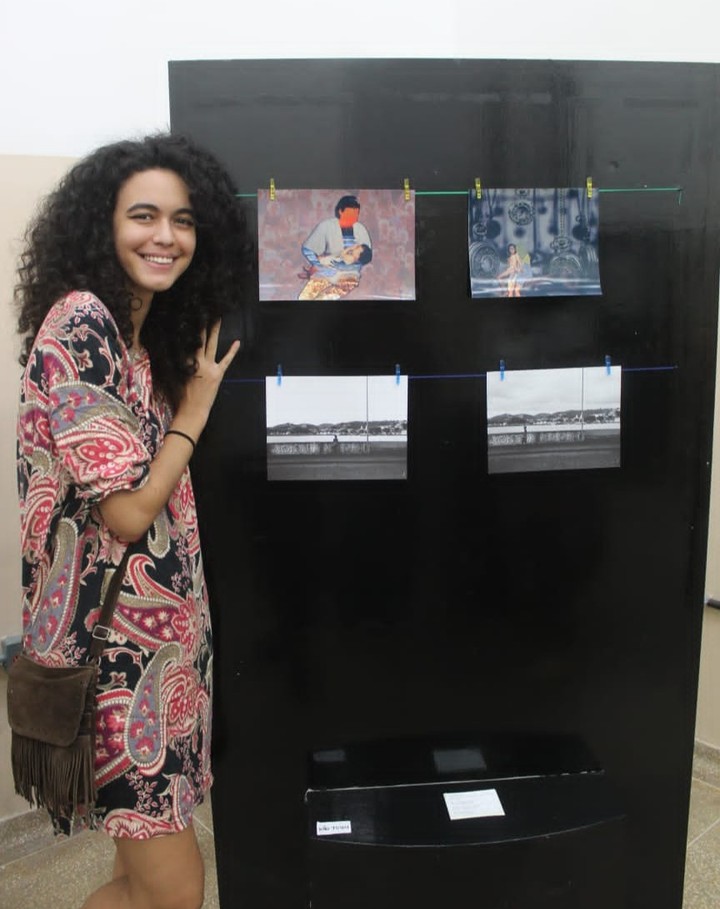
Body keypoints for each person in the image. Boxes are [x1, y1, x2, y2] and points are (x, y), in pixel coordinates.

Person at [13, 134, 247, 909]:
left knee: (137, 881)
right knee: (175, 890)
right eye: (143, 215)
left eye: (183, 220)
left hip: (160, 658)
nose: (165, 236)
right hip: (116, 666)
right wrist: (195, 411)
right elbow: (127, 512)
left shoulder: (134, 342)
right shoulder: (82, 323)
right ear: (101, 224)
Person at [298, 195, 373, 300]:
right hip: (325, 272)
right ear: (340, 212)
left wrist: (345, 265)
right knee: (304, 298)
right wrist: (320, 266)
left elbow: (366, 256)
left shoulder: (361, 229)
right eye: (350, 214)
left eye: (356, 214)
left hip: (349, 277)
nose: (354, 218)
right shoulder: (326, 226)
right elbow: (308, 249)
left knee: (324, 299)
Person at [298, 242, 373, 300]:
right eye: (355, 247)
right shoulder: (338, 259)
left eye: (357, 248)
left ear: (358, 259)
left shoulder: (351, 272)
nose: (353, 248)